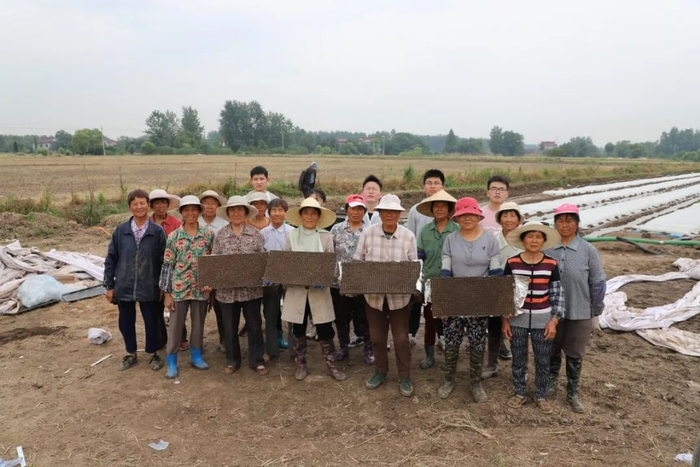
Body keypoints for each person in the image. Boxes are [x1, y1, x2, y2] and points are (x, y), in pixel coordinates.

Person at [355, 194, 418, 397]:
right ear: (380, 213)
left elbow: (413, 267)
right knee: (377, 338)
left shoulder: (408, 236)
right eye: (385, 211)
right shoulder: (368, 233)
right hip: (374, 298)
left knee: (401, 339)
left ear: (399, 214)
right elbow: (358, 262)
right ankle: (380, 371)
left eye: (394, 211)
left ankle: (404, 376)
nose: (389, 215)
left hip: (399, 299)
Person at [438, 197, 500, 402]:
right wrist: (445, 295)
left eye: (471, 214)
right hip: (455, 296)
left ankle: (475, 383)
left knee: (477, 341)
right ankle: (448, 379)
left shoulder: (490, 239)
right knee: (452, 341)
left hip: (479, 298)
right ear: (457, 218)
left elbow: (495, 266)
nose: (467, 218)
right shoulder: (450, 239)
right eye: (462, 215)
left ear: (478, 216)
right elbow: (446, 265)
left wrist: (496, 291)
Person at [546, 204, 606, 413]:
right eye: (560, 221)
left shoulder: (588, 250)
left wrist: (595, 308)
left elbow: (597, 282)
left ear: (577, 223)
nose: (565, 225)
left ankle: (572, 392)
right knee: (551, 347)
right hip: (551, 310)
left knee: (575, 352)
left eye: (569, 221)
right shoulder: (547, 248)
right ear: (555, 224)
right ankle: (552, 381)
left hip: (579, 309)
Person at [502, 222, 564, 414]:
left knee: (543, 359)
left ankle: (541, 395)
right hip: (517, 319)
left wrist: (554, 320)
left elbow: (557, 294)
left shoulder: (551, 264)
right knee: (518, 357)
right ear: (523, 240)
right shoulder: (512, 263)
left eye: (538, 237)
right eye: (530, 236)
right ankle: (519, 392)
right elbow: (505, 294)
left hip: (542, 319)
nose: (534, 240)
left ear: (544, 241)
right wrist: (505, 321)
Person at [283, 198, 346, 382]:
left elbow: (330, 264)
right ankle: (301, 364)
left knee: (325, 328)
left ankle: (331, 365)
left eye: (313, 213)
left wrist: (323, 278)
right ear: (301, 216)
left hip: (319, 291)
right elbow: (286, 263)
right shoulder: (292, 236)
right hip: (297, 290)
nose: (309, 217)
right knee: (298, 328)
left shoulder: (326, 237)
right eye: (306, 213)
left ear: (319, 217)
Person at [104, 189, 166, 372]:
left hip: (149, 284)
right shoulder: (121, 231)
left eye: (142, 203)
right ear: (129, 207)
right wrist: (110, 285)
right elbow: (111, 259)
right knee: (125, 321)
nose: (139, 207)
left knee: (152, 320)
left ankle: (153, 353)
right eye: (135, 204)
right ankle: (131, 353)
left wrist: (163, 286)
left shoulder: (157, 231)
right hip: (124, 284)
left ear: (148, 205)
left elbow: (163, 261)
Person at [159, 196, 215, 379]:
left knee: (198, 324)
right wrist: (167, 293)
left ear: (199, 212)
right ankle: (172, 360)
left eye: (194, 209)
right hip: (179, 288)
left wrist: (210, 282)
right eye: (186, 210)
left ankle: (196, 355)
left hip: (201, 288)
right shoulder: (174, 236)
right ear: (181, 213)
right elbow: (168, 265)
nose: (190, 213)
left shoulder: (208, 235)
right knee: (175, 326)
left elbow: (213, 262)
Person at [212, 196, 268, 376]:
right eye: (232, 210)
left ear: (245, 212)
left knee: (254, 325)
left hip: (251, 290)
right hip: (227, 292)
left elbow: (262, 260)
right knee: (229, 327)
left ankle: (257, 360)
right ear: (228, 213)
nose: (236, 213)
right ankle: (232, 361)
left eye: (239, 210)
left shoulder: (255, 234)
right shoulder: (220, 235)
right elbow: (214, 262)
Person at [415, 189, 459, 369]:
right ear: (432, 209)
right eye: (436, 206)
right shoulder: (425, 231)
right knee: (430, 322)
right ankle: (429, 356)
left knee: (451, 323)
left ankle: (451, 356)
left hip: (451, 284)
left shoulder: (457, 230)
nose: (440, 209)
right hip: (430, 282)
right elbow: (419, 258)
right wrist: (419, 286)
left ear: (449, 210)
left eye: (443, 206)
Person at [330, 194, 373, 364]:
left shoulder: (370, 231)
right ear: (346, 210)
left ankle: (369, 350)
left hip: (363, 283)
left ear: (364, 212)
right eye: (353, 208)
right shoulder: (336, 229)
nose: (356, 212)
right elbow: (330, 254)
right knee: (341, 318)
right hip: (339, 283)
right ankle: (343, 348)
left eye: (360, 209)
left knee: (365, 317)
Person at [483, 202, 523, 379]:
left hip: (519, 289)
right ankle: (491, 365)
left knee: (517, 330)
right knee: (494, 328)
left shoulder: (525, 239)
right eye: (505, 215)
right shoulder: (493, 239)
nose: (508, 219)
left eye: (512, 215)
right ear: (499, 219)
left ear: (519, 219)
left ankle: (519, 369)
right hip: (496, 288)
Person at [406, 169, 446, 347]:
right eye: (429, 183)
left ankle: (442, 335)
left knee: (439, 299)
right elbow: (410, 235)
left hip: (442, 262)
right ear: (423, 187)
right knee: (416, 299)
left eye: (436, 183)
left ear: (443, 186)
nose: (432, 186)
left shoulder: (448, 209)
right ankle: (411, 333)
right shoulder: (415, 210)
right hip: (419, 260)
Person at [148, 188, 186, 350]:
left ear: (168, 205)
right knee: (155, 304)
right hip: (152, 268)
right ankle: (161, 338)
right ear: (152, 206)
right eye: (157, 203)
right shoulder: (147, 223)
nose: (160, 206)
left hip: (173, 267)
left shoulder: (176, 223)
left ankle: (181, 337)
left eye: (163, 202)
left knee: (176, 304)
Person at [260, 198, 294, 357]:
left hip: (289, 278)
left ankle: (294, 349)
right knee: (271, 313)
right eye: (274, 210)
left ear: (285, 213)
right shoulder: (263, 233)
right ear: (269, 213)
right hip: (270, 279)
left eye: (280, 210)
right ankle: (272, 348)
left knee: (292, 313)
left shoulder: (292, 232)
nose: (277, 213)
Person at [198, 189, 228, 352]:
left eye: (213, 203)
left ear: (218, 205)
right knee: (199, 310)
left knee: (221, 308)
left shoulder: (224, 224)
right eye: (206, 203)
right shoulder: (194, 222)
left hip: (220, 271)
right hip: (198, 271)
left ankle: (224, 340)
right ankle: (197, 343)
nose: (209, 206)